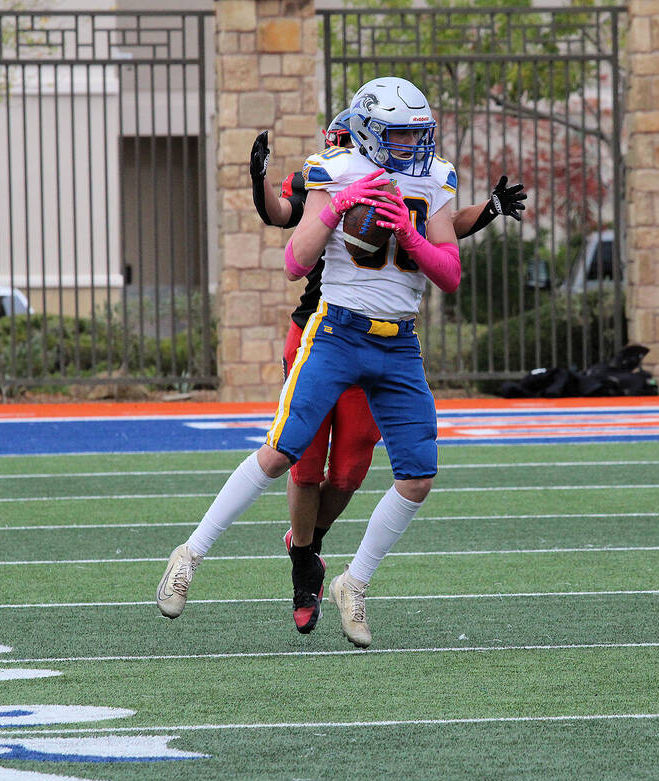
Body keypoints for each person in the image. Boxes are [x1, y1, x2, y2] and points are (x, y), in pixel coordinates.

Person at [157, 76, 474, 649]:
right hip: (337, 331)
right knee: (282, 452)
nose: (411, 146)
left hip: (398, 342)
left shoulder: (435, 177)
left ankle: (354, 581)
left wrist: (411, 232)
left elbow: (448, 274)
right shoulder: (335, 169)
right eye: (398, 135)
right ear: (371, 133)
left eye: (416, 134)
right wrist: (336, 210)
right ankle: (191, 553)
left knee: (419, 475)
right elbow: (295, 262)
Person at [247, 116, 526, 634]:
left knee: (350, 469)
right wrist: (260, 179)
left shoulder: (412, 175)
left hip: (382, 340)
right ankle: (304, 563)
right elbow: (281, 213)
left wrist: (485, 211)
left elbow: (432, 226)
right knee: (303, 462)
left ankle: (309, 539)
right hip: (320, 330)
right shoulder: (327, 174)